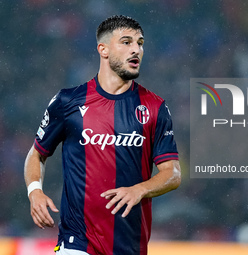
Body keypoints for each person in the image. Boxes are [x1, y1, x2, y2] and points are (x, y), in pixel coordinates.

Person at [24, 15, 181, 255]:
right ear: (103, 49)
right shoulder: (68, 102)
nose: (136, 49)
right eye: (126, 42)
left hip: (129, 245)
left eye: (140, 43)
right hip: (76, 243)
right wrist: (34, 190)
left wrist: (139, 189)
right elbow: (37, 154)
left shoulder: (155, 108)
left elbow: (172, 173)